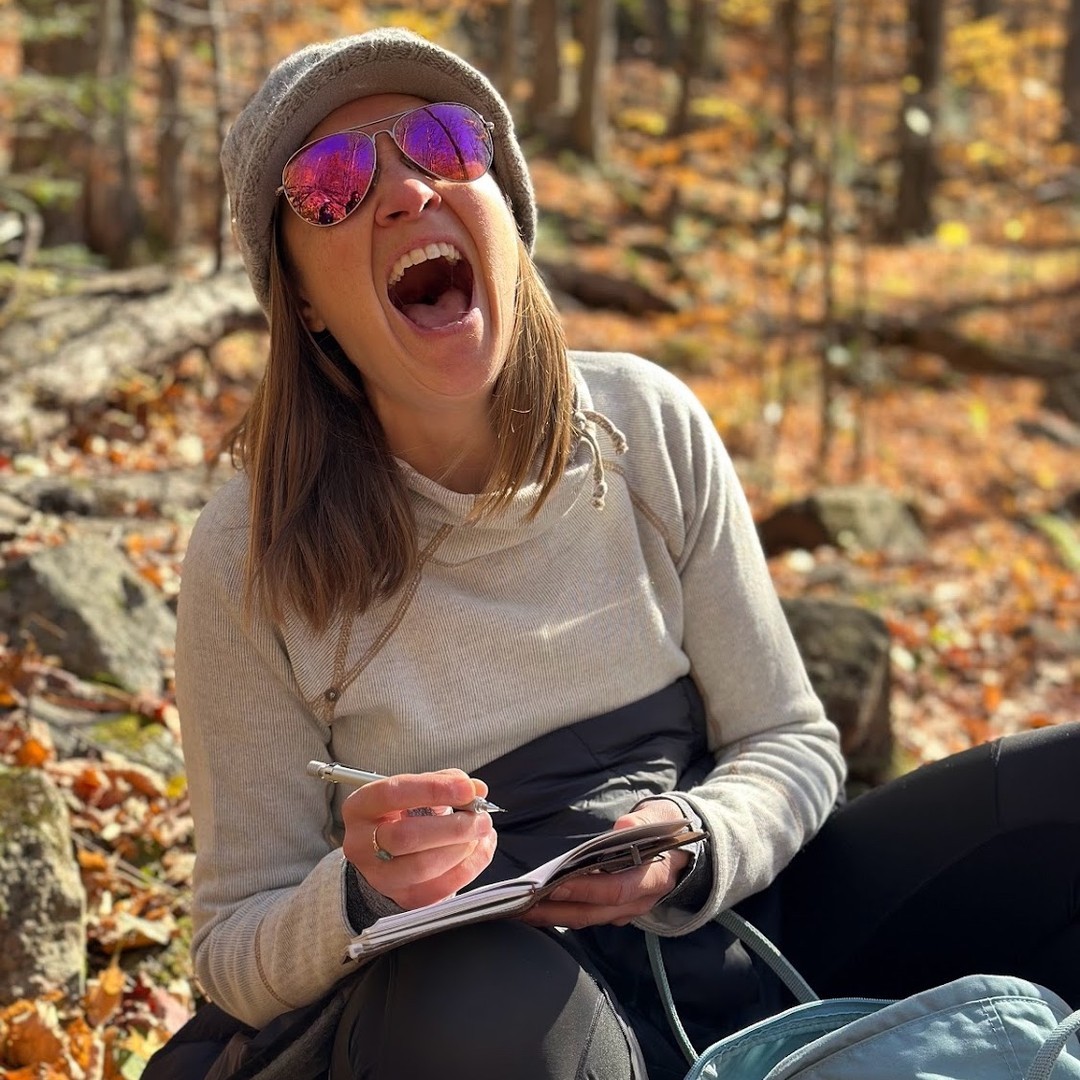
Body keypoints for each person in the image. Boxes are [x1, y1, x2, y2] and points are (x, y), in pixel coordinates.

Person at [144, 26, 1080, 1080]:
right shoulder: (252, 549)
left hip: (737, 935)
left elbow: (791, 740)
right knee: (479, 1002)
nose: (405, 191)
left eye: (444, 141)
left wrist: (694, 837)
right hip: (493, 1022)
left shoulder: (645, 420)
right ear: (302, 297)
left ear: (506, 210)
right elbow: (234, 949)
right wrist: (364, 890)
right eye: (332, 183)